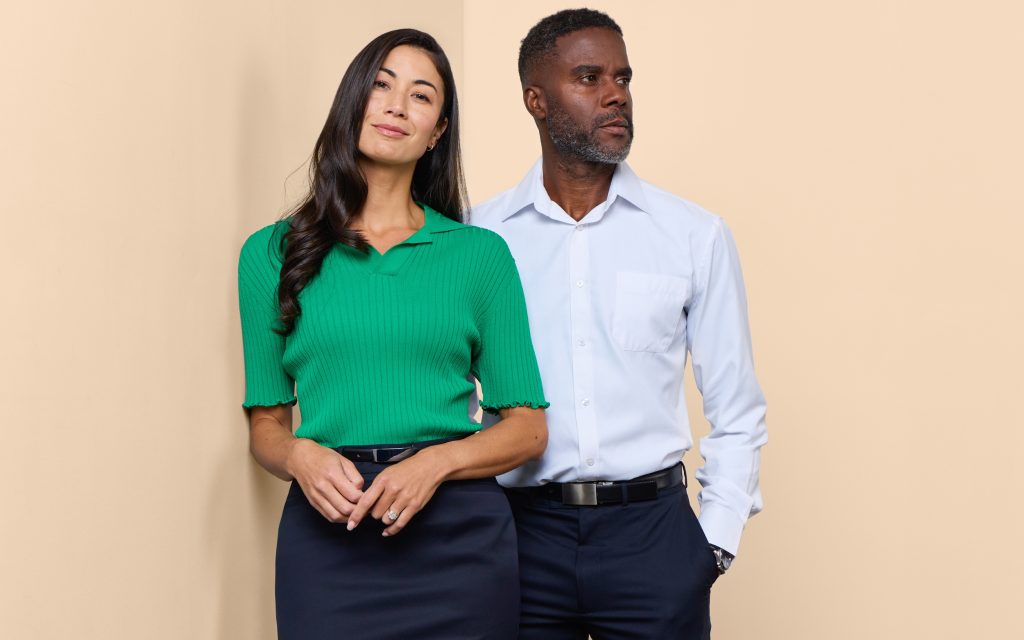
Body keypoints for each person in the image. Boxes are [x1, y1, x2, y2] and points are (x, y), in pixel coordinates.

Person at [237, 28, 548, 640]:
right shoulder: (270, 254)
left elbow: (528, 428)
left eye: (421, 95)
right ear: (352, 101)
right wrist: (299, 453)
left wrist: (434, 464)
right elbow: (266, 426)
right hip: (329, 534)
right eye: (381, 85)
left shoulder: (480, 256)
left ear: (437, 133)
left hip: (458, 538)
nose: (397, 105)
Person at [471, 9, 768, 639]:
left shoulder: (693, 235)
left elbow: (738, 410)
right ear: (536, 100)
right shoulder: (478, 239)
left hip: (652, 538)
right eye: (588, 77)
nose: (615, 95)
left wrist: (711, 544)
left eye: (623, 78)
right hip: (519, 535)